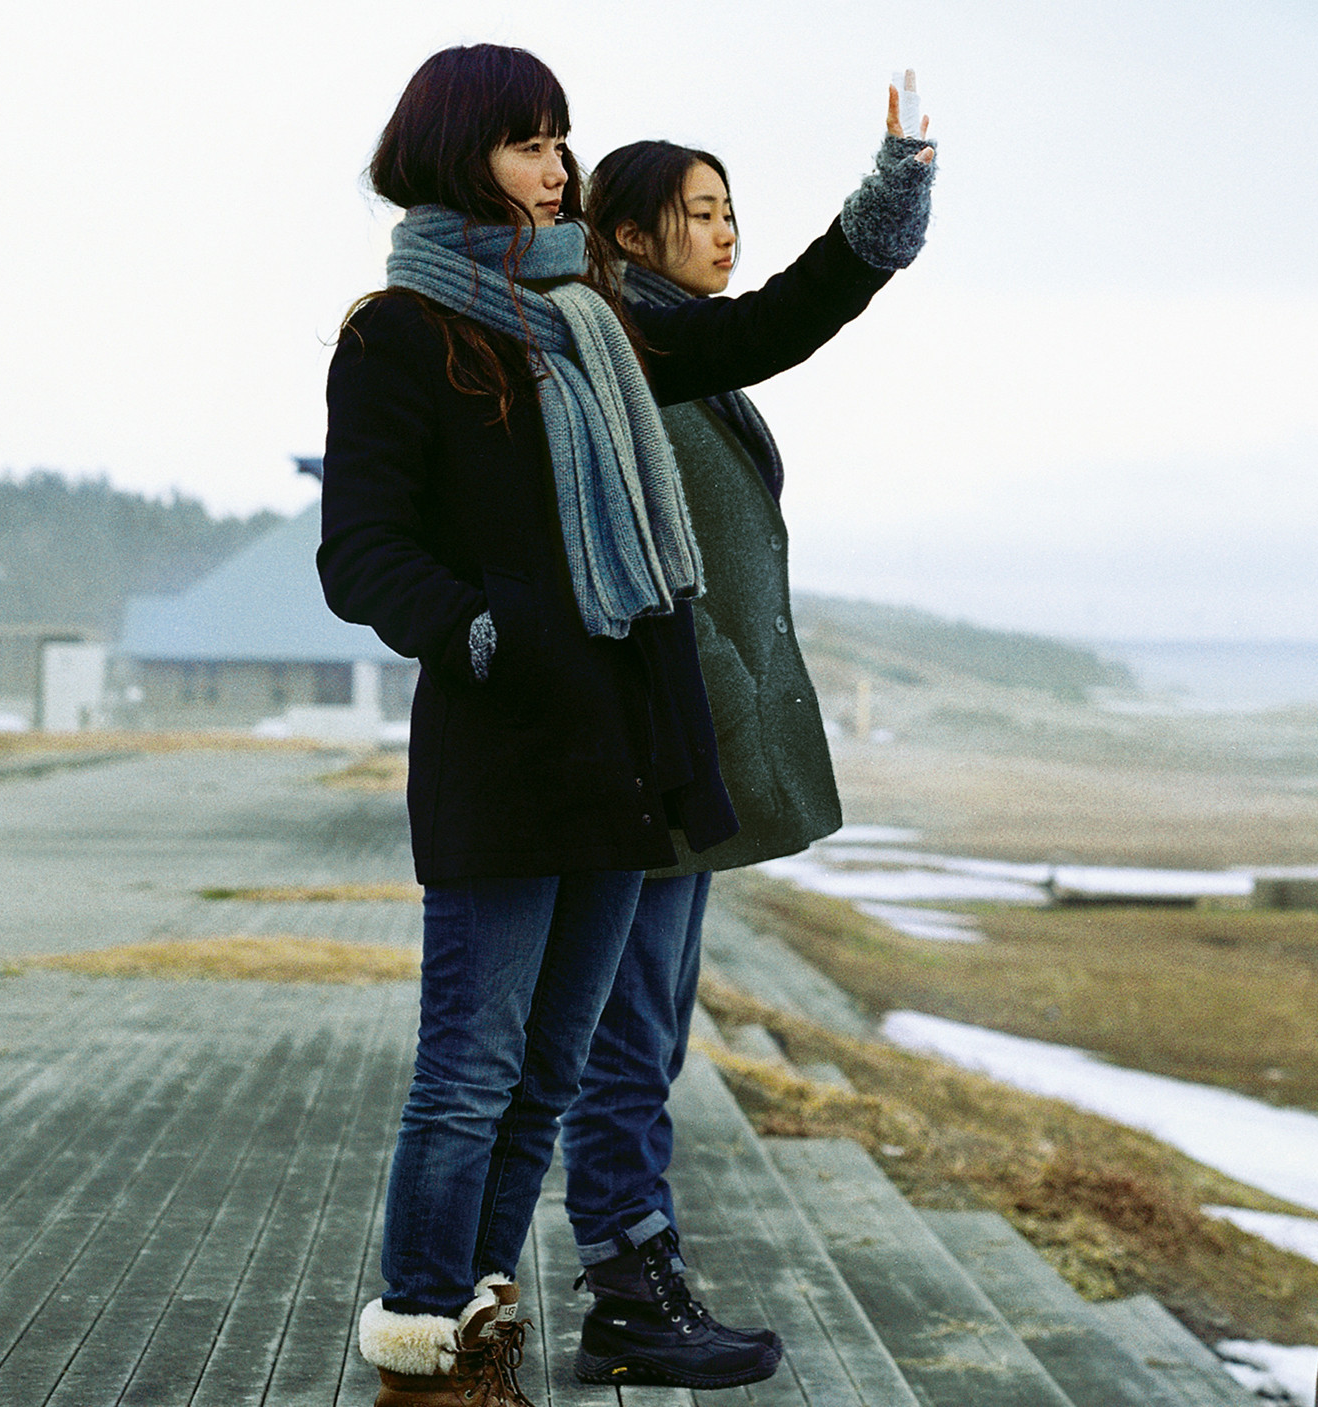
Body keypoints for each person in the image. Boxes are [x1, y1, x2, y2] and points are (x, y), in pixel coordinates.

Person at [318, 43, 931, 1406]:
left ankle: (480, 1309)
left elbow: (757, 330)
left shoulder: (596, 317)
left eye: (562, 140)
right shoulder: (400, 332)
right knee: (470, 1068)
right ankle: (422, 1338)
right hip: (499, 744)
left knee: (547, 1070)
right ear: (450, 151)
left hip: (622, 754)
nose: (557, 167)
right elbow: (361, 553)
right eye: (529, 143)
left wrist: (881, 214)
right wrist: (492, 631)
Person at [554, 120, 929, 1390]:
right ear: (626, 235)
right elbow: (787, 319)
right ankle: (626, 1285)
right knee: (630, 1032)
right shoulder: (630, 353)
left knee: (641, 1029)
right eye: (702, 210)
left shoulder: (667, 352)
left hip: (685, 742)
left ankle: (631, 1269)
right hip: (665, 746)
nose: (727, 229)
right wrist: (886, 207)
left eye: (730, 208)